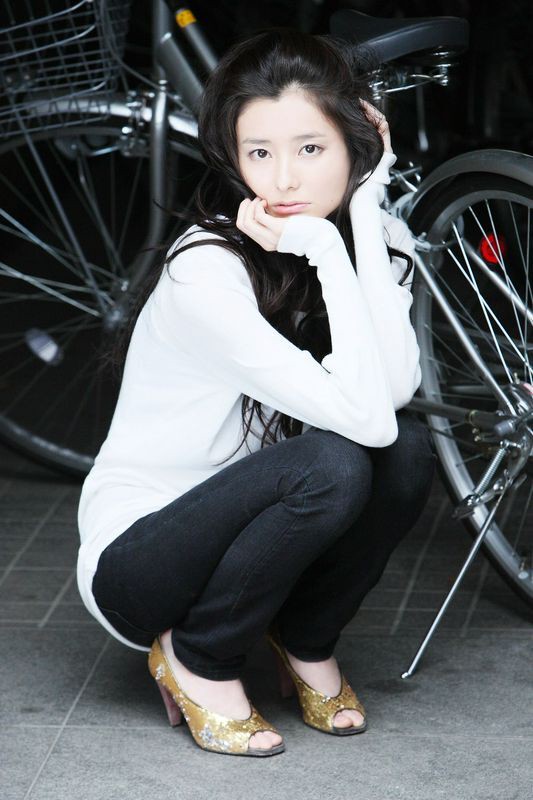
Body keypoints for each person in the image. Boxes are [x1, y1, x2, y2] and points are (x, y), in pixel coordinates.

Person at [76, 27, 436, 758]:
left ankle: (304, 639)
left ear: (355, 147)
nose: (285, 181)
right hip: (142, 561)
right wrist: (328, 247)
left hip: (259, 539)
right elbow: (364, 423)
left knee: (409, 451)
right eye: (260, 154)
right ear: (234, 159)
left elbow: (393, 393)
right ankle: (199, 655)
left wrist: (361, 217)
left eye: (311, 149)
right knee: (333, 465)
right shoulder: (205, 269)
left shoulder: (370, 237)